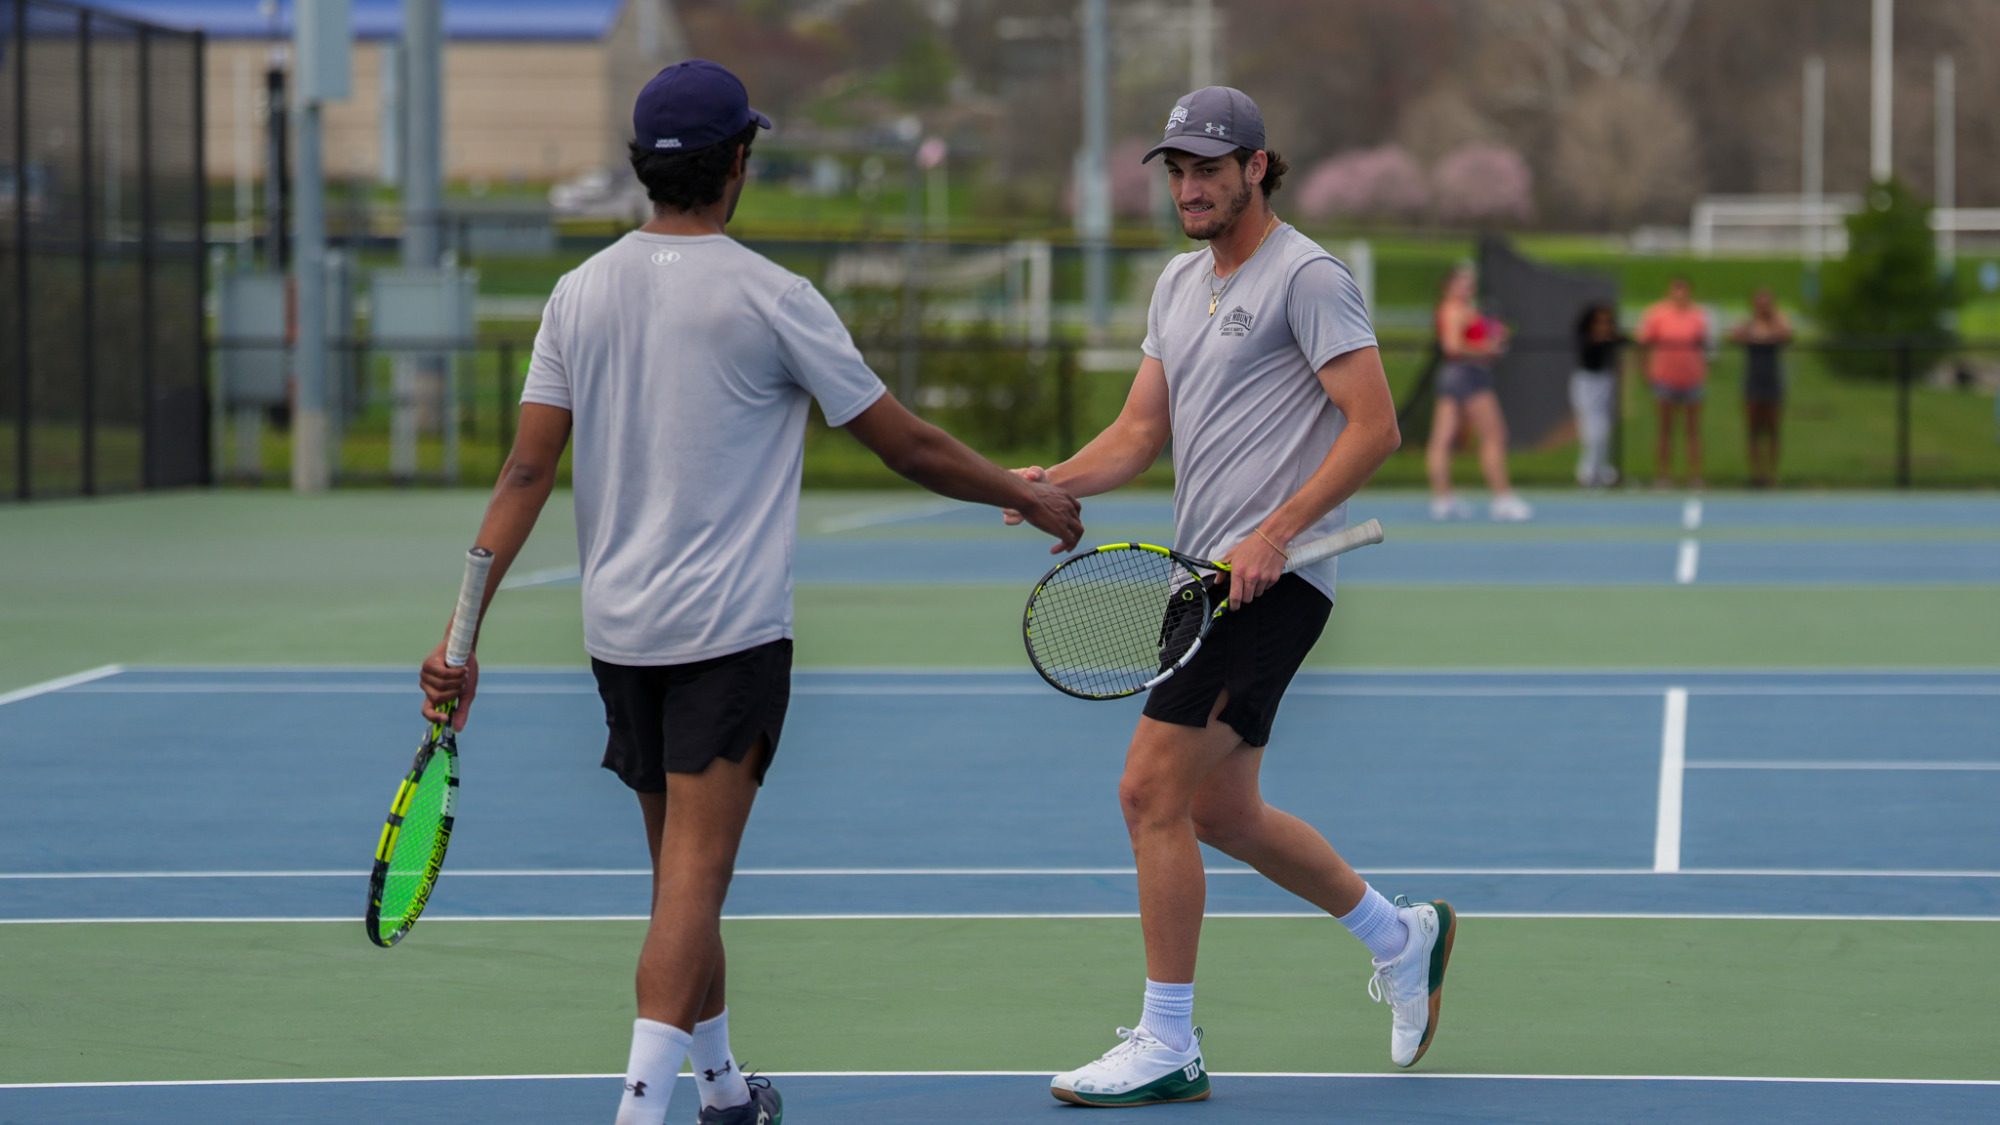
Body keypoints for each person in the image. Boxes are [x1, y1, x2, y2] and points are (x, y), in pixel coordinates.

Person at [416, 60, 1083, 1125]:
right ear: (736, 165)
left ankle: (723, 1091)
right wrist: (1026, 496)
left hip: (619, 637)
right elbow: (901, 441)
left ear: (645, 170)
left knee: (680, 878)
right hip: (724, 639)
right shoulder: (775, 296)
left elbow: (523, 475)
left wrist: (460, 636)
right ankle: (638, 1111)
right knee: (692, 885)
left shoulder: (575, 294)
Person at [1005, 86, 1451, 1107]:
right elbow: (1135, 435)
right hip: (1195, 582)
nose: (1191, 186)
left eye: (1211, 167)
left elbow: (1374, 426)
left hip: (1274, 584)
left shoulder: (1308, 277)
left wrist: (1276, 531)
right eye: (1178, 169)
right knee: (1219, 811)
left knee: (1145, 792)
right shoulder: (1176, 283)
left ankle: (1168, 1043)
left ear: (1258, 167)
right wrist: (1044, 484)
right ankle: (1400, 935)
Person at [1427, 265, 1533, 521]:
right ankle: (1502, 498)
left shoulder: (1466, 310)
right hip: (1468, 376)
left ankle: (1444, 499)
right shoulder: (1453, 310)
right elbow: (1453, 347)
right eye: (1461, 282)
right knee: (1494, 436)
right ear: (1448, 286)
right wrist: (1487, 348)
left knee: (1444, 437)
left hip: (1461, 375)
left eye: (1469, 282)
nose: (1467, 287)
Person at [1636, 276, 1712, 489]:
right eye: (1676, 290)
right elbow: (1642, 343)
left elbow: (1704, 345)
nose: (1680, 295)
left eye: (1684, 290)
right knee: (1665, 429)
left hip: (1692, 380)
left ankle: (1696, 476)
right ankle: (1663, 476)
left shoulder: (1698, 315)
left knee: (1693, 429)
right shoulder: (1657, 314)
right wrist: (1645, 371)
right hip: (1664, 379)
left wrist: (1704, 369)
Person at [1731, 288, 1794, 488]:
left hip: (1773, 381)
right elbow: (1735, 335)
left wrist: (1774, 319)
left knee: (1773, 429)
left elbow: (1787, 334)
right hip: (1753, 382)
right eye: (1759, 304)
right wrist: (1754, 331)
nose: (1763, 308)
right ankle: (1756, 474)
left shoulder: (1778, 322)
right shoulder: (1749, 324)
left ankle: (1771, 474)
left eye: (1767, 304)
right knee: (1753, 431)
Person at [1571, 301, 1626, 488]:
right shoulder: (1586, 339)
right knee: (1592, 430)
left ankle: (1602, 470)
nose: (1603, 326)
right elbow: (1590, 353)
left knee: (1604, 429)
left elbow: (1625, 341)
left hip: (1605, 382)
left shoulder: (1611, 339)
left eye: (1606, 322)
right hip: (1587, 383)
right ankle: (1587, 473)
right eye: (1599, 322)